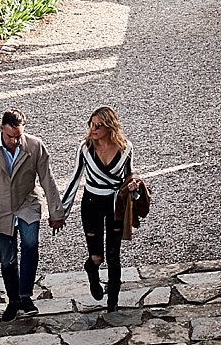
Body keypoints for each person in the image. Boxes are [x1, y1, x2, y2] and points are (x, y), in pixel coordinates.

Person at [0, 109, 65, 321]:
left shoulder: (35, 146)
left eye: (18, 136)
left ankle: (25, 296)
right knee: (7, 259)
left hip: (28, 203)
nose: (14, 140)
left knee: (30, 244)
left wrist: (56, 212)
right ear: (1, 129)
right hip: (0, 209)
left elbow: (47, 180)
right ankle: (13, 300)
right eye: (10, 136)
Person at [59, 106, 143, 311]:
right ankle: (92, 274)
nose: (93, 129)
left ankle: (112, 301)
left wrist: (134, 187)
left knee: (114, 255)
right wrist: (60, 212)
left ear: (109, 127)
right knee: (97, 256)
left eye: (98, 125)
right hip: (91, 204)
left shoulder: (126, 148)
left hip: (115, 205)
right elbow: (74, 179)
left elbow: (129, 177)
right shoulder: (85, 147)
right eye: (91, 124)